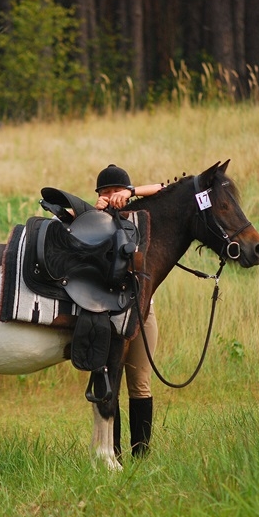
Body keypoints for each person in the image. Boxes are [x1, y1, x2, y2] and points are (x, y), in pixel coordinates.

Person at [93, 164, 165, 459]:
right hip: (111, 312)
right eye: (105, 192)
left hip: (143, 310)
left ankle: (142, 453)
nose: (111, 197)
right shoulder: (94, 222)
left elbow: (163, 188)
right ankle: (116, 453)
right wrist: (95, 212)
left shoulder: (141, 218)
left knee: (141, 383)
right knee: (112, 383)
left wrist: (132, 193)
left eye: (115, 190)